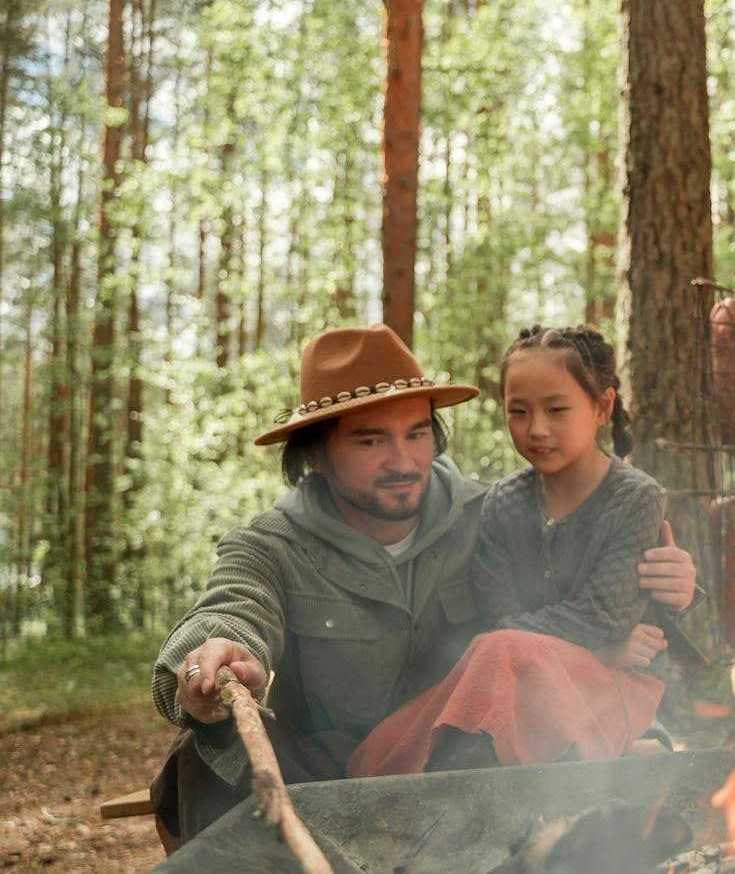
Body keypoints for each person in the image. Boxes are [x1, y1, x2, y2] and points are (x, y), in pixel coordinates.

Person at [149, 323, 697, 847]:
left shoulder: (495, 512)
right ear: (315, 452)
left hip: (470, 774)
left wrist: (679, 589)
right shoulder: (272, 544)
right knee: (198, 758)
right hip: (329, 775)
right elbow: (229, 610)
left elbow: (589, 602)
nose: (403, 460)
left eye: (416, 434)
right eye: (371, 442)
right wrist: (207, 664)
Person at [347, 325, 673, 775]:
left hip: (606, 683)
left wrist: (595, 647)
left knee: (500, 651)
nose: (536, 429)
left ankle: (471, 788)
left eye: (557, 410)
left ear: (603, 407)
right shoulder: (502, 500)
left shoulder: (636, 498)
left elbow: (603, 615)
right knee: (384, 747)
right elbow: (496, 611)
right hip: (519, 677)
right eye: (517, 412)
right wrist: (601, 645)